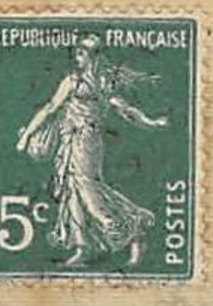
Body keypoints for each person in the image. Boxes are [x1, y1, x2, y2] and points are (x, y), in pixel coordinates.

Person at [15, 34, 170, 268]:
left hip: (88, 141)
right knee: (72, 191)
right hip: (68, 141)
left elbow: (124, 109)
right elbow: (50, 108)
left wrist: (150, 122)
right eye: (76, 53)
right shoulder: (72, 81)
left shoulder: (104, 82)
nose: (77, 58)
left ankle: (133, 228)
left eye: (81, 53)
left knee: (88, 189)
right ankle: (82, 247)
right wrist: (27, 135)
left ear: (93, 56)